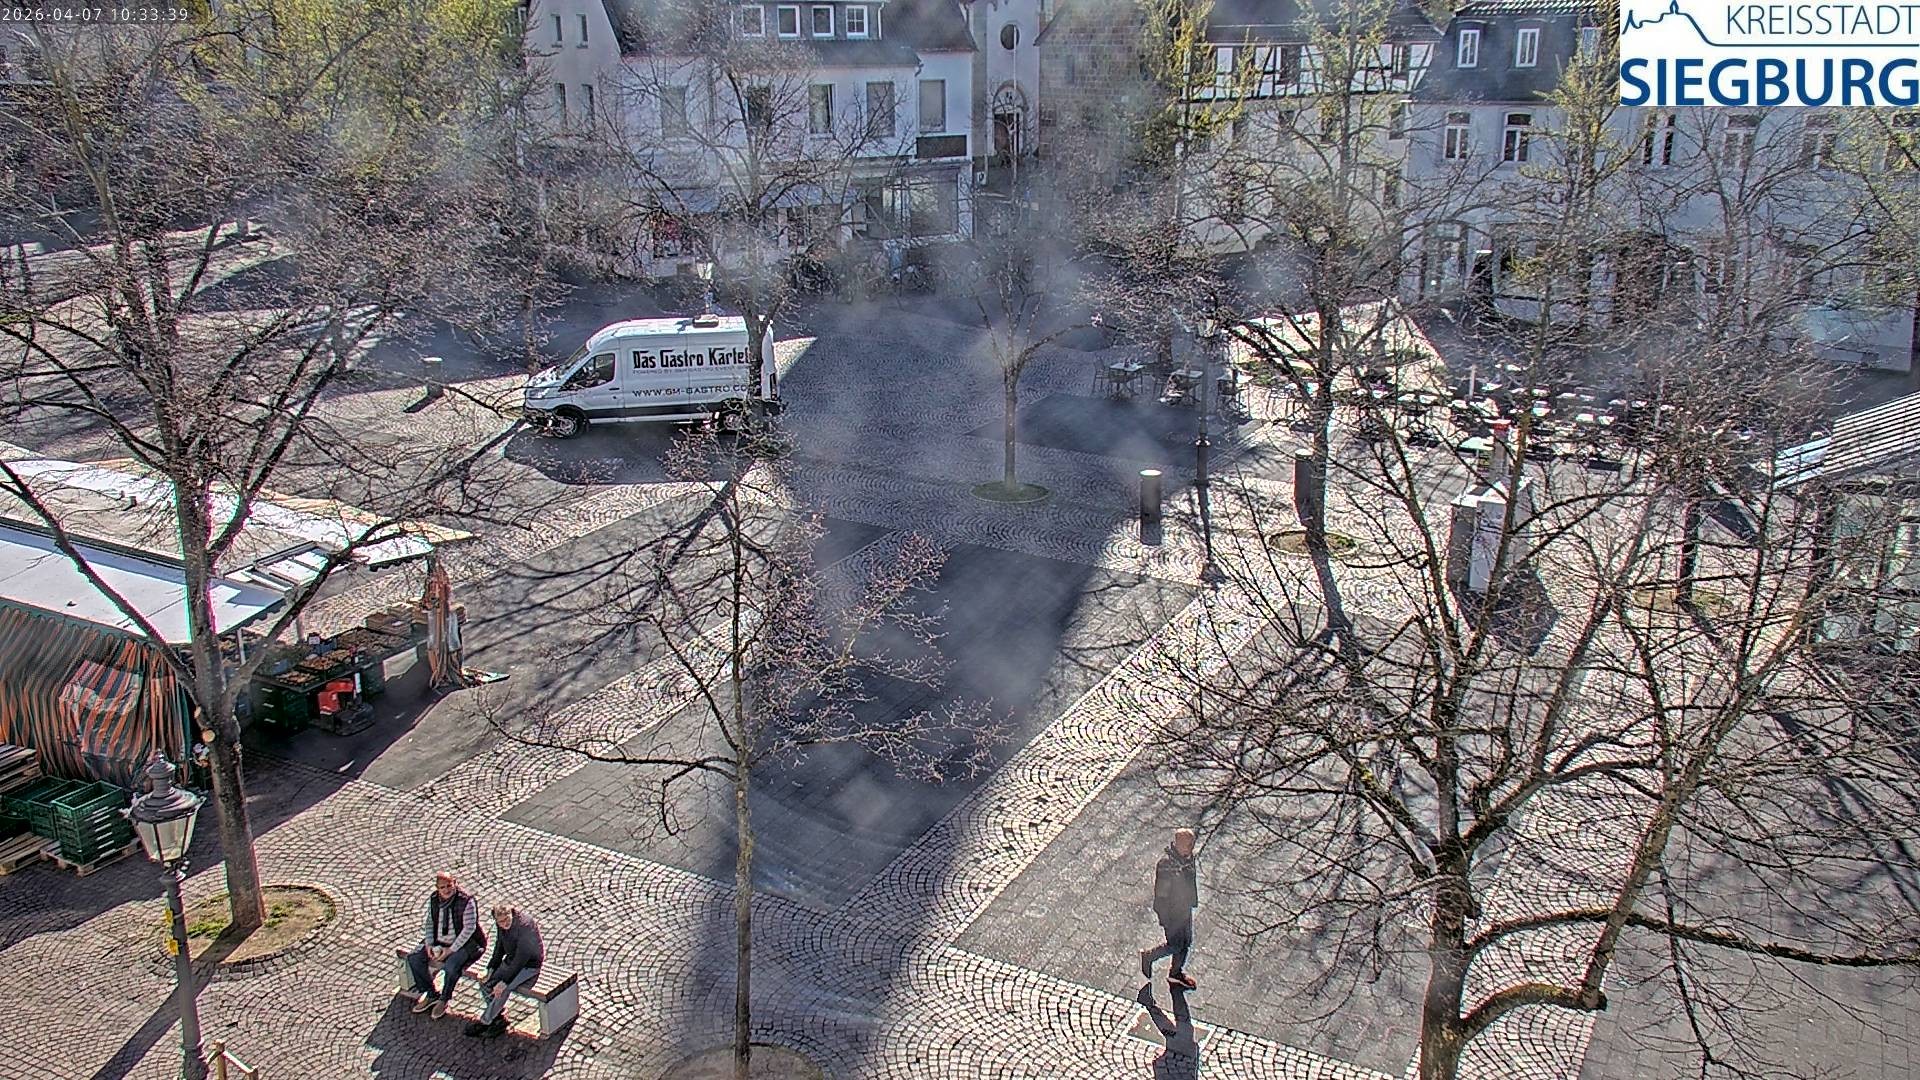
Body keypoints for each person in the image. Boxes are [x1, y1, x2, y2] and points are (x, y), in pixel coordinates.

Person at [405, 872, 487, 1019]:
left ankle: (444, 999)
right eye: (442, 887)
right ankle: (431, 994)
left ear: (455, 883)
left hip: (465, 944)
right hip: (439, 940)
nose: (446, 890)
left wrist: (450, 950)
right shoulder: (434, 899)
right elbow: (430, 922)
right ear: (437, 888)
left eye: (449, 885)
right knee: (414, 958)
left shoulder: (466, 901)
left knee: (451, 966)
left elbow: (469, 929)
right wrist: (429, 944)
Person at [466, 905, 544, 1038]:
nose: (504, 924)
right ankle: (497, 1017)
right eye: (500, 922)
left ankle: (486, 1021)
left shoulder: (524, 927)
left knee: (502, 990)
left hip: (529, 965)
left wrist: (504, 982)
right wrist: (491, 968)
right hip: (512, 960)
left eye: (507, 919)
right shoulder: (502, 925)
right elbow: (499, 946)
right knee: (486, 984)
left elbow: (521, 959)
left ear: (511, 914)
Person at [1139, 828, 1200, 992]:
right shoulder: (1167, 865)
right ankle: (1149, 956)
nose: (1192, 847)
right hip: (1173, 914)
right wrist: (1164, 917)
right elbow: (1161, 895)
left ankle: (1176, 973)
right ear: (1179, 844)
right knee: (1175, 944)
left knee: (1186, 942)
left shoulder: (1187, 858)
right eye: (1189, 844)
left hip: (1184, 909)